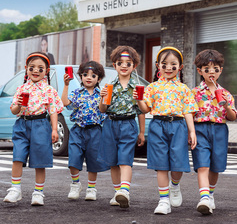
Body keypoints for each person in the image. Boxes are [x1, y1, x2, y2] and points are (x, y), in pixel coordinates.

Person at [134, 46, 198, 215]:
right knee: (161, 165)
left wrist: (192, 132)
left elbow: (188, 111)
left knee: (178, 162)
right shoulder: (152, 87)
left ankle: (175, 186)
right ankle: (163, 200)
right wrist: (139, 99)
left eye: (173, 64)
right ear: (158, 66)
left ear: (180, 67)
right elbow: (145, 109)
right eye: (164, 64)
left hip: (178, 126)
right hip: (158, 126)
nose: (168, 68)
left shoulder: (184, 89)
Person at [3, 52, 64, 205]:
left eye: (40, 68)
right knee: (18, 156)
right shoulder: (21, 88)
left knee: (40, 160)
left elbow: (53, 111)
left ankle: (38, 192)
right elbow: (14, 111)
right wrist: (18, 104)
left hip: (41, 125)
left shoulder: (49, 90)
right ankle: (15, 189)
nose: (36, 71)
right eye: (32, 68)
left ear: (47, 71)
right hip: (22, 125)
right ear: (26, 69)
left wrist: (55, 129)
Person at [99, 45, 145, 209]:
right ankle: (117, 192)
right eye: (120, 63)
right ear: (114, 65)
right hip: (110, 124)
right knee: (113, 161)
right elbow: (103, 110)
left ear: (134, 66)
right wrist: (102, 98)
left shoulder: (137, 87)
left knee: (125, 159)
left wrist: (141, 132)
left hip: (128, 124)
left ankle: (125, 190)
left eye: (128, 63)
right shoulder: (109, 85)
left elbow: (143, 110)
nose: (124, 66)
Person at [191, 49, 237, 215]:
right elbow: (189, 114)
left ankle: (210, 194)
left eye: (215, 69)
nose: (212, 72)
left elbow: (232, 117)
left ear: (220, 71)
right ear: (200, 71)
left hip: (219, 129)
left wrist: (225, 105)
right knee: (202, 164)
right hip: (200, 128)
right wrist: (191, 133)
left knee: (216, 166)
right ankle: (203, 197)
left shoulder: (226, 94)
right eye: (207, 69)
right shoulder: (194, 93)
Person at [61, 61, 109, 201]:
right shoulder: (77, 92)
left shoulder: (101, 93)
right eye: (85, 74)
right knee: (73, 158)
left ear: (98, 79)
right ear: (80, 76)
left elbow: (104, 111)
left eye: (93, 75)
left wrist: (103, 98)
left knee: (93, 161)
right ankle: (75, 184)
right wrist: (66, 85)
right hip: (78, 130)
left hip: (95, 131)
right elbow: (65, 103)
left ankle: (91, 188)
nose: (89, 77)